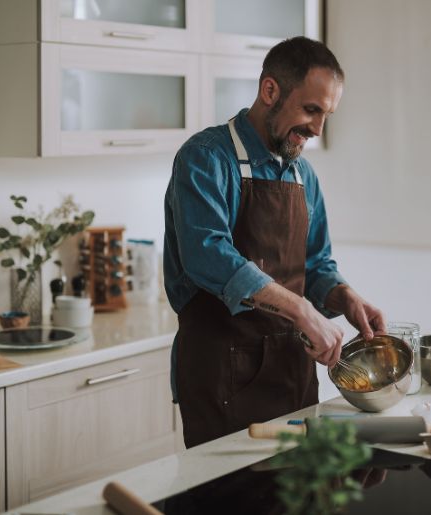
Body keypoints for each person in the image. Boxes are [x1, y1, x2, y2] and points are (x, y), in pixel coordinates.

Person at [163, 36, 386, 448]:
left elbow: (315, 264)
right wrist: (301, 310)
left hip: (292, 374)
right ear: (270, 90)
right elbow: (206, 255)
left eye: (327, 115)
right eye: (311, 109)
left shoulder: (305, 176)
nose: (317, 129)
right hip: (221, 378)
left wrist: (343, 297)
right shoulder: (206, 158)